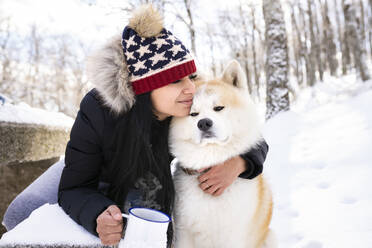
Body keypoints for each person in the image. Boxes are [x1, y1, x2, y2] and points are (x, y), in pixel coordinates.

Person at [57, 5, 269, 247]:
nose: (190, 88)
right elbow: (73, 188)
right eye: (176, 81)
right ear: (146, 88)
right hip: (95, 180)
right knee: (21, 209)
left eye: (190, 76)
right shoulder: (99, 111)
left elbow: (250, 133)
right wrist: (97, 213)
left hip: (147, 181)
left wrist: (240, 162)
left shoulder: (187, 103)